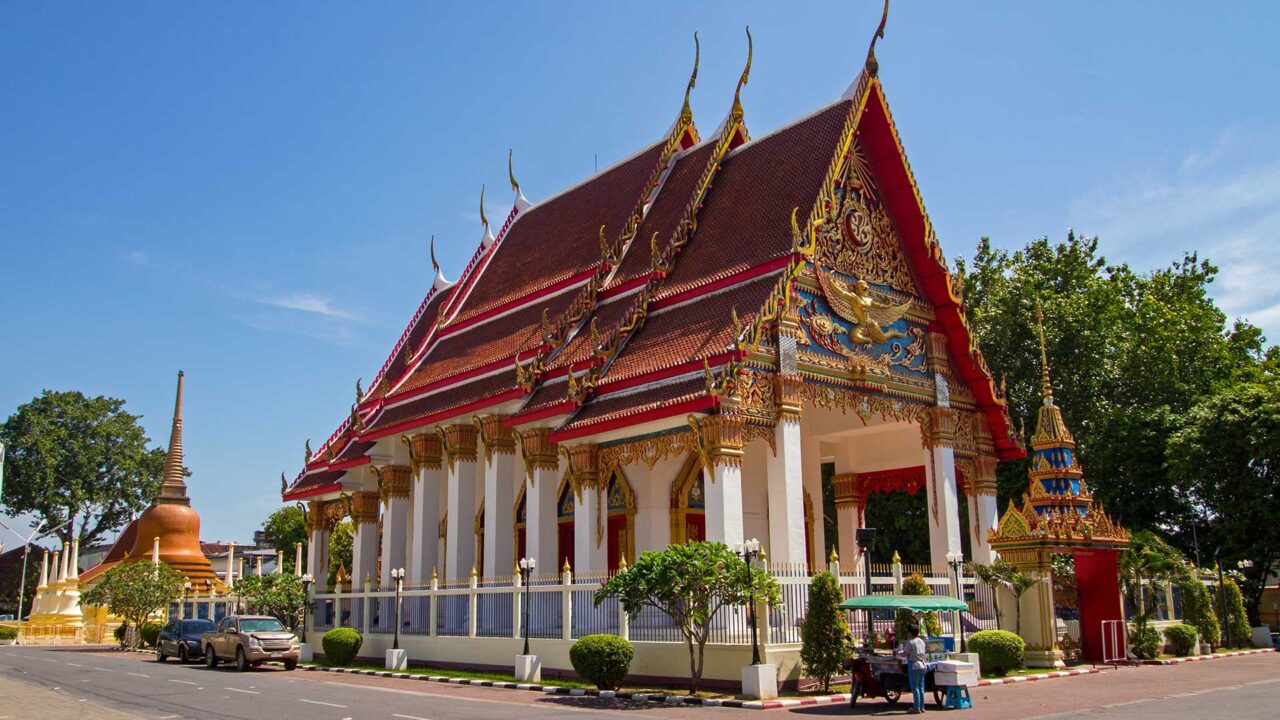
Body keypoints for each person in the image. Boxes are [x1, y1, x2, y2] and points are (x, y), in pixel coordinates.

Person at [896, 623, 927, 713]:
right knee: (921, 686)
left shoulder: (910, 642)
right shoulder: (921, 641)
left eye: (908, 632)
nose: (907, 634)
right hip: (922, 664)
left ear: (910, 633)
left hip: (914, 665)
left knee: (915, 687)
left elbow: (905, 653)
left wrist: (897, 653)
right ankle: (921, 707)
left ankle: (916, 707)